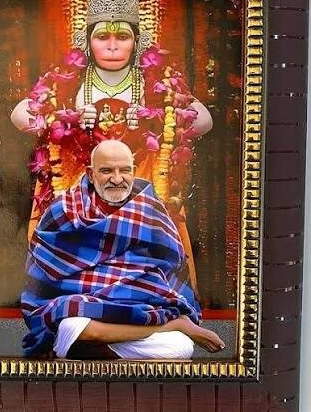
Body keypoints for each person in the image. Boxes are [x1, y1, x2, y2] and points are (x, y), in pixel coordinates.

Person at [12, 0, 213, 309]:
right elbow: (20, 115)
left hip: (138, 194)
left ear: (137, 41)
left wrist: (153, 118)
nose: (112, 46)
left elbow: (203, 119)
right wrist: (67, 118)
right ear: (87, 41)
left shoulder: (158, 81)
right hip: (79, 194)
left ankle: (141, 304)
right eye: (102, 37)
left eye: (122, 37)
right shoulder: (68, 79)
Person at [21, 140, 224, 359]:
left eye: (124, 170)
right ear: (90, 174)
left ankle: (93, 348)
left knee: (180, 347)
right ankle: (172, 326)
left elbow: (173, 270)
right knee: (71, 326)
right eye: (106, 171)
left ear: (134, 172)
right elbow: (39, 279)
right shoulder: (63, 210)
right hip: (84, 313)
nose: (117, 179)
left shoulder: (151, 211)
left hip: (140, 311)